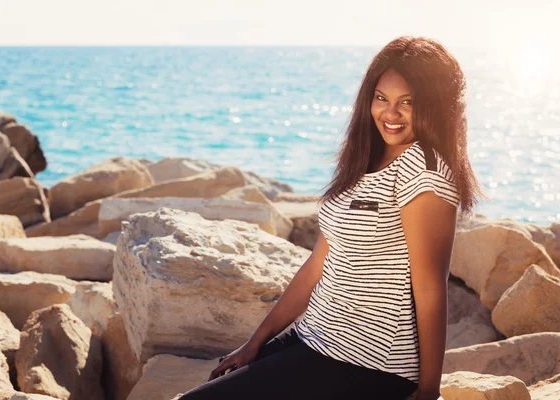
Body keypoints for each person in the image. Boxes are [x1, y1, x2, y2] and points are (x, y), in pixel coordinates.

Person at [178, 35, 484, 400]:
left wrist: (429, 390)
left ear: (434, 105)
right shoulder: (366, 159)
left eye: (408, 103)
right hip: (312, 336)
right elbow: (318, 265)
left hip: (367, 361)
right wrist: (255, 342)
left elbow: (430, 287)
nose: (390, 113)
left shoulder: (425, 171)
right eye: (381, 99)